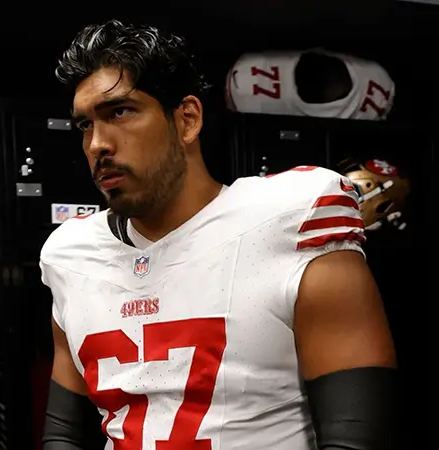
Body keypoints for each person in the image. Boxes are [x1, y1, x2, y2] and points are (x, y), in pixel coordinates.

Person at [40, 19, 399, 450]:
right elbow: (63, 435)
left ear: (187, 119)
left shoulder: (292, 219)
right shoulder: (71, 255)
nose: (98, 143)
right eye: (85, 125)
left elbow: (355, 438)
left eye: (120, 112)